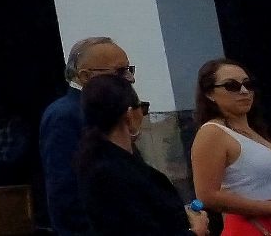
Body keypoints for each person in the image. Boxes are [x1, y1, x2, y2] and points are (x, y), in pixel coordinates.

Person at [190, 58, 271, 235]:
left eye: (248, 84)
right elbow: (207, 196)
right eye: (231, 86)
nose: (244, 91)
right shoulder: (213, 133)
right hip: (252, 228)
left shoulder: (254, 131)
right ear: (210, 94)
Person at [75, 75, 208, 236]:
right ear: (129, 115)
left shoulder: (102, 159)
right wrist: (196, 231)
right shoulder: (111, 171)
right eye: (143, 108)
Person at [42, 36, 133, 236]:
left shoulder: (103, 108)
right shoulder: (64, 115)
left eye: (130, 70)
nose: (130, 78)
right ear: (85, 76)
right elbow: (64, 192)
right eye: (120, 71)